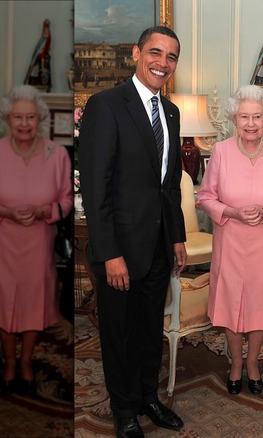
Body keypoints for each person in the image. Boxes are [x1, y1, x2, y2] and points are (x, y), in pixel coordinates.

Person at [79, 26, 186, 438]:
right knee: (119, 334)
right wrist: (109, 253)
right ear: (136, 54)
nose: (163, 62)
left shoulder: (171, 112)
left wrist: (176, 236)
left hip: (158, 246)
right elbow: (95, 185)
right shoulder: (106, 106)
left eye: (171, 57)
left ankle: (147, 398)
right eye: (155, 53)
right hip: (119, 250)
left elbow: (169, 184)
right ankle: (124, 409)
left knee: (148, 331)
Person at [197, 85, 263, 395]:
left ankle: (252, 362)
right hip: (230, 239)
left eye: (257, 116)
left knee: (259, 303)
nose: (251, 123)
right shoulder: (221, 151)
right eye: (244, 116)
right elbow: (205, 197)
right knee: (230, 302)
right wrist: (233, 212)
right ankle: (236, 364)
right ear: (233, 119)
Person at [0, 84, 72, 396]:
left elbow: (66, 202)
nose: (24, 123)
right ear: (7, 119)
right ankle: (9, 363)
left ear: (39, 118)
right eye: (18, 117)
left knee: (33, 303)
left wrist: (45, 210)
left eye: (30, 117)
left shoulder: (58, 155)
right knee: (3, 302)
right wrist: (5, 212)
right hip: (3, 242)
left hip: (38, 243)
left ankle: (26, 363)